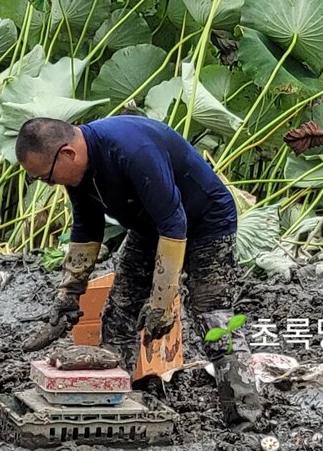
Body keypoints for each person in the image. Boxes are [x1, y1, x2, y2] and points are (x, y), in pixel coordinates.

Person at [15, 116, 262, 429]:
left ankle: (245, 418)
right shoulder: (78, 173)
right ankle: (113, 400)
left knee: (212, 315)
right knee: (121, 312)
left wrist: (162, 300)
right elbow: (87, 227)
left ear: (67, 154)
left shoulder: (131, 150)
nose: (51, 184)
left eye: (47, 178)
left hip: (206, 221)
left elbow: (174, 223)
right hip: (148, 226)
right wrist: (69, 294)